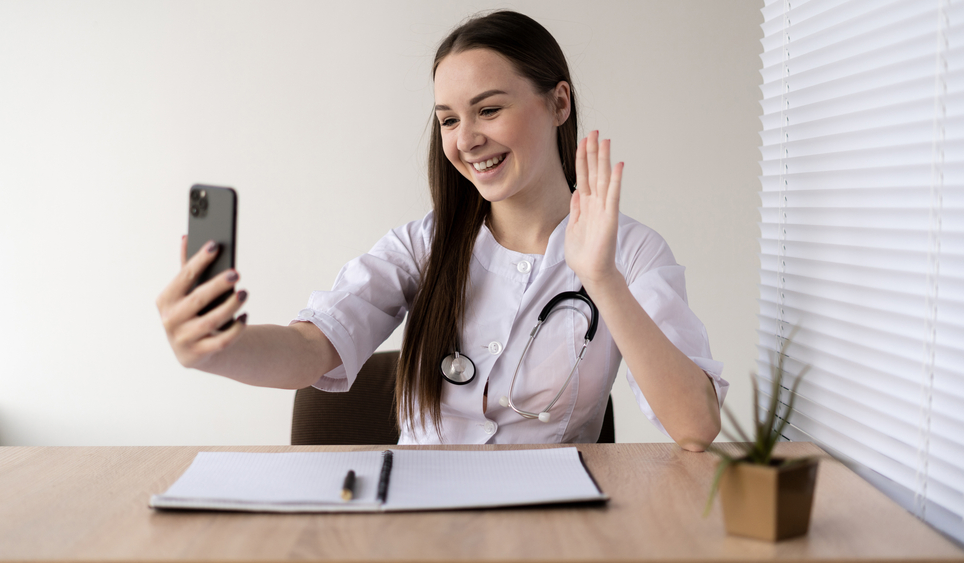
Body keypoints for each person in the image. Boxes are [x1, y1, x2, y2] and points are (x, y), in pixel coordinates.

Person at [156, 10, 727, 449]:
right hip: (416, 522)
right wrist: (216, 348)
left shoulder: (631, 253)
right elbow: (311, 348)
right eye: (449, 119)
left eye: (489, 109)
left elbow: (696, 427)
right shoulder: (422, 246)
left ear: (558, 103)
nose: (465, 139)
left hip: (549, 529)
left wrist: (602, 279)